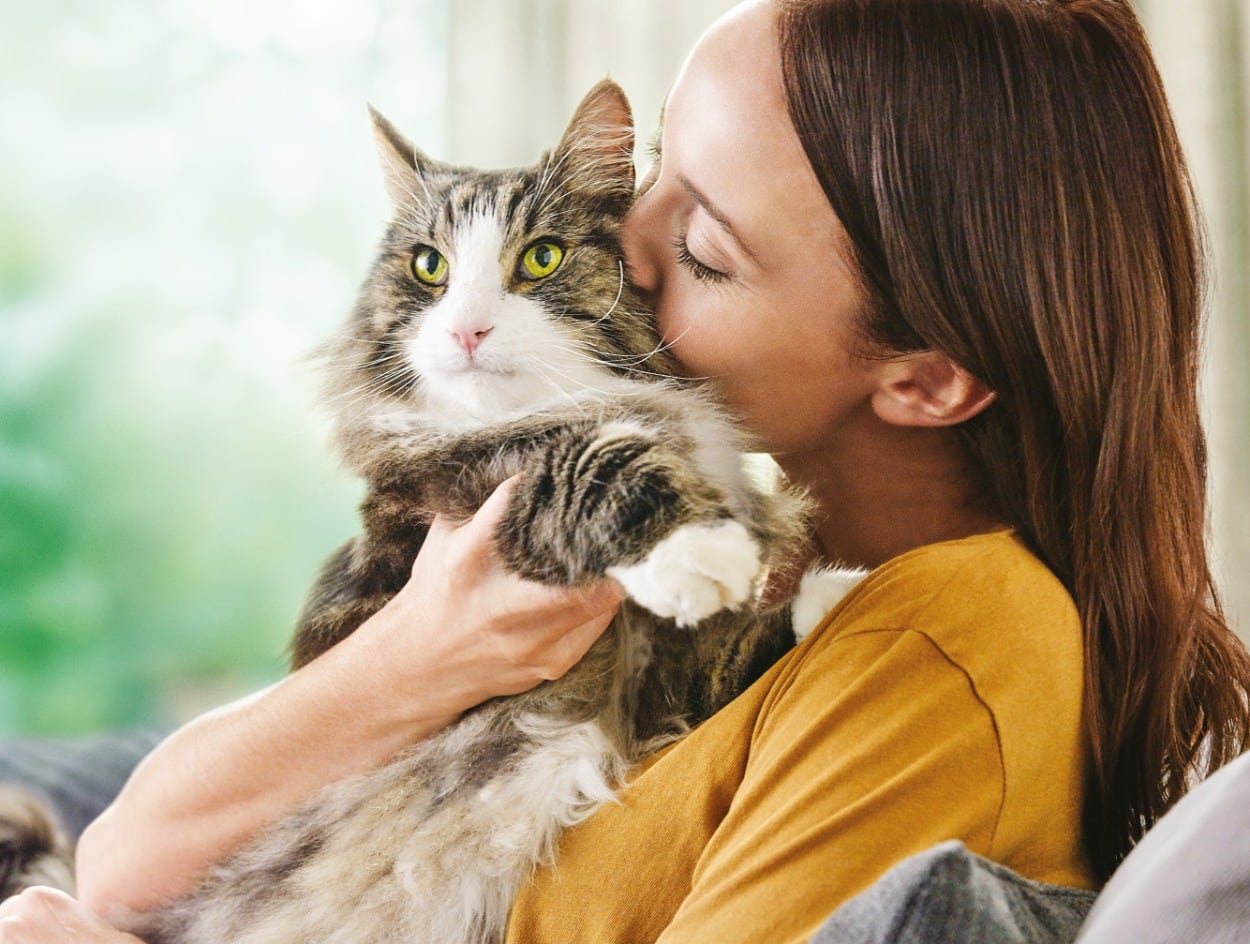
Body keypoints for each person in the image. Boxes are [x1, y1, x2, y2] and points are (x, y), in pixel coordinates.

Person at [4, 0, 1249, 941]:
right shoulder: (733, 537)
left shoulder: (945, 655)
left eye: (702, 247)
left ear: (922, 378)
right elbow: (121, 861)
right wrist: (416, 652)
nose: (616, 247)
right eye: (647, 169)